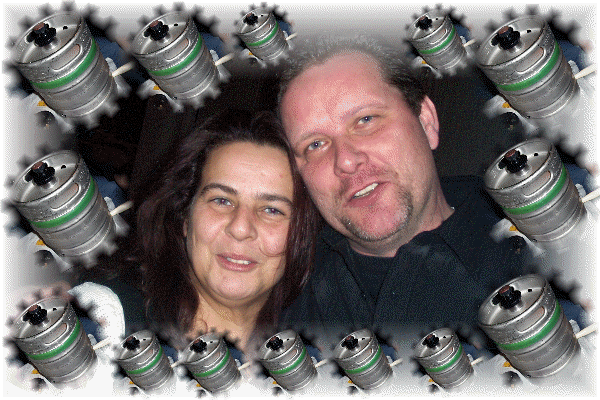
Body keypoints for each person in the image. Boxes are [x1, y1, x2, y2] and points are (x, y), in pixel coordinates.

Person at [277, 37, 528, 339]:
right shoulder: (278, 297)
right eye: (315, 144)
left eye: (365, 120)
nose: (345, 161)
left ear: (426, 122)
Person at [79, 110, 320, 351]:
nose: (240, 228)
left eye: (271, 210)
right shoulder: (105, 322)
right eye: (221, 201)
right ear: (185, 216)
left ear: (301, 234)